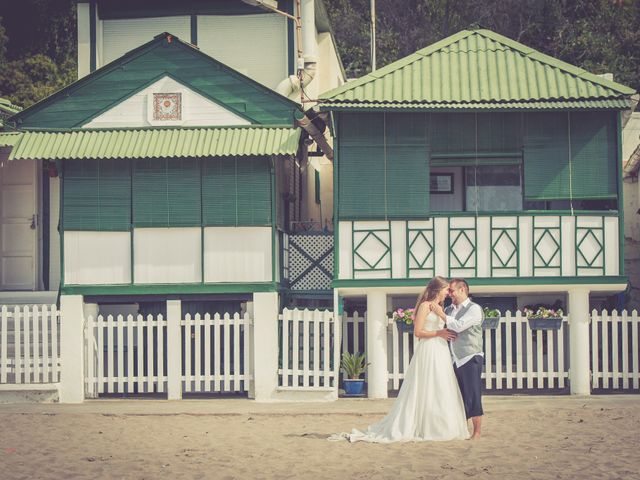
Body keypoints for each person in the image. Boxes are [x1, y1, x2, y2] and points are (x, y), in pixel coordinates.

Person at [329, 276, 470, 443]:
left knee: (441, 385)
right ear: (438, 290)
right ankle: (425, 426)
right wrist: (439, 333)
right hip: (429, 349)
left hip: (440, 350)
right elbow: (418, 332)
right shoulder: (425, 306)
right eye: (447, 289)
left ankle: (442, 426)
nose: (448, 293)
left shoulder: (441, 307)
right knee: (428, 385)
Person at [434, 278, 484, 440]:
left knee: (473, 394)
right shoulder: (449, 309)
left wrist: (440, 313)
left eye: (452, 291)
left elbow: (459, 326)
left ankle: (476, 432)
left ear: (462, 290)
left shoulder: (474, 309)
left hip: (470, 356)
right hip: (454, 359)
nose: (449, 294)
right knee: (458, 395)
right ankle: (461, 429)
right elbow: (442, 328)